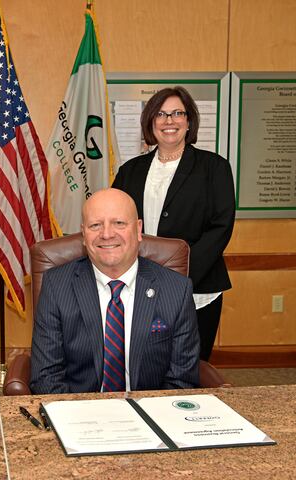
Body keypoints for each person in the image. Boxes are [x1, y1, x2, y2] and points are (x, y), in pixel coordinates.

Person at [30, 188, 199, 394]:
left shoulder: (177, 289)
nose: (107, 234)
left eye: (119, 223)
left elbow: (181, 380)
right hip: (79, 414)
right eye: (95, 225)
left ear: (138, 230)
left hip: (149, 412)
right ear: (84, 234)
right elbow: (46, 376)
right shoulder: (56, 286)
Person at [112, 86, 235, 361]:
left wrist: (181, 276)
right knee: (141, 362)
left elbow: (221, 226)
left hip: (197, 288)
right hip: (138, 285)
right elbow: (116, 224)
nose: (169, 121)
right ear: (150, 122)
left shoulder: (214, 168)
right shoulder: (129, 171)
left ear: (189, 121)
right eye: (161, 114)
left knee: (190, 366)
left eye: (177, 113)